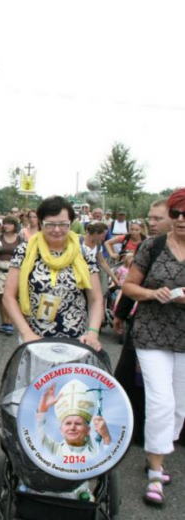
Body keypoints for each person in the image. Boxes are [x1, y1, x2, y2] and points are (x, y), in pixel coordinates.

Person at [120, 188, 185, 506]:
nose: (181, 219)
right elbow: (129, 285)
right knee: (160, 400)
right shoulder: (153, 245)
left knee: (179, 406)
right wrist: (153, 293)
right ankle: (156, 473)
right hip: (152, 334)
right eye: (176, 213)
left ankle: (157, 453)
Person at [3, 196, 103, 350]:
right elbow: (8, 296)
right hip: (35, 339)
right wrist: (26, 333)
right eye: (50, 224)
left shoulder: (84, 253)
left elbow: (95, 299)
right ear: (40, 223)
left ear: (71, 223)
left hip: (77, 341)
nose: (57, 230)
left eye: (63, 224)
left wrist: (93, 333)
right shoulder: (24, 251)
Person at [112, 199, 172, 447]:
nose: (152, 223)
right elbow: (132, 283)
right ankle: (130, 425)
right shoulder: (150, 247)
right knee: (130, 376)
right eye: (151, 218)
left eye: (158, 218)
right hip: (146, 322)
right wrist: (120, 313)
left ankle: (170, 433)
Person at [36, 381, 111, 458]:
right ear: (61, 430)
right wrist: (42, 411)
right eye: (68, 423)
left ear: (88, 430)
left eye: (78, 423)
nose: (72, 427)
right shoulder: (52, 450)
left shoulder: (96, 456)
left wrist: (106, 438)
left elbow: (108, 463)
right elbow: (36, 436)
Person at [0, 216, 22, 336]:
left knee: (12, 297)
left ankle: (10, 322)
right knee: (1, 298)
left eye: (9, 223)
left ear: (15, 225)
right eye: (5, 223)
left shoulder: (20, 239)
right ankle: (4, 322)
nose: (6, 226)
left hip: (15, 269)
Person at [81, 221, 120, 289]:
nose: (104, 238)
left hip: (91, 276)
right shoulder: (79, 240)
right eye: (103, 235)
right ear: (96, 233)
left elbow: (102, 262)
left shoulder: (98, 245)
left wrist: (114, 278)